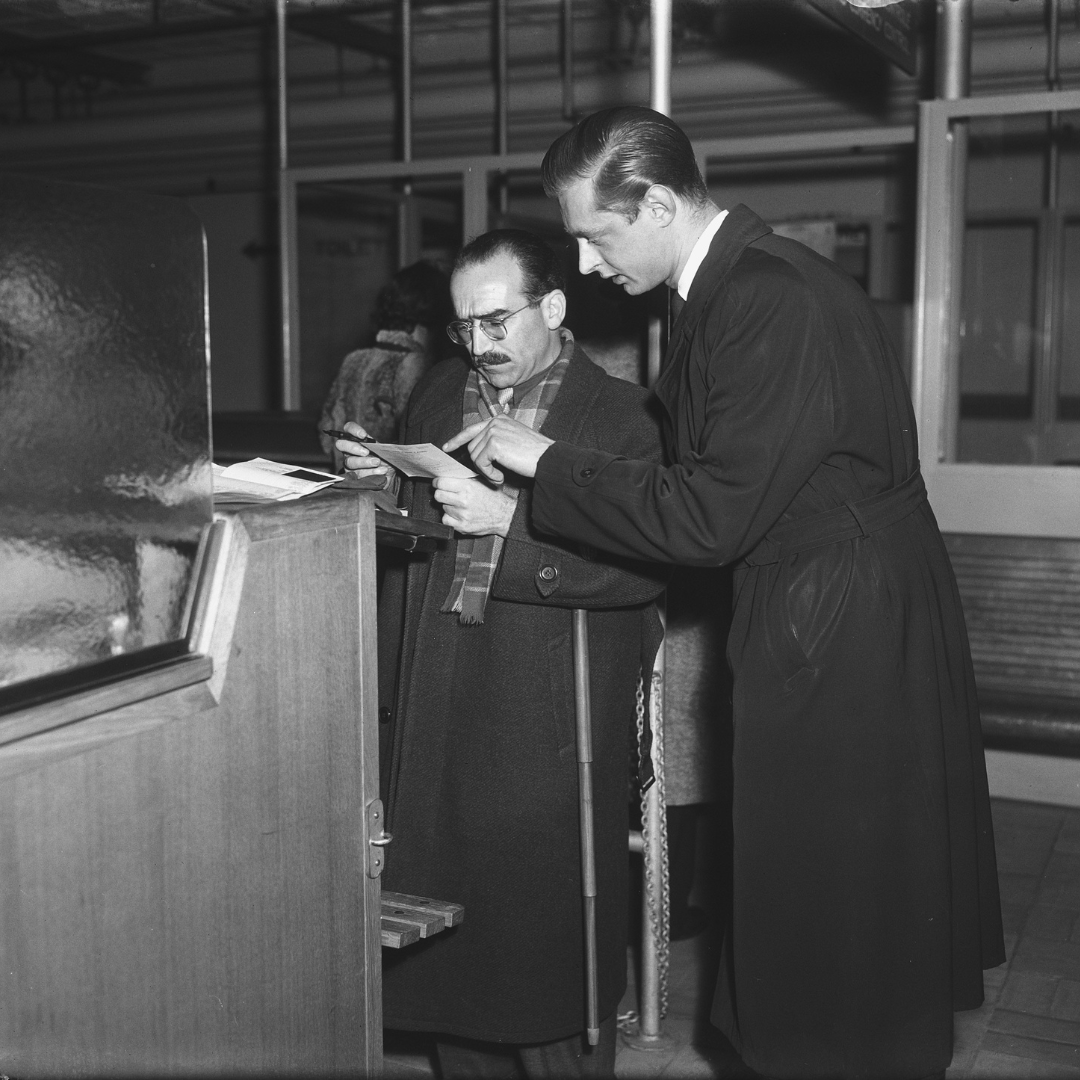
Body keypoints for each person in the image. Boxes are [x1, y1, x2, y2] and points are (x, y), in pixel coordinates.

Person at [442, 107, 1006, 1080]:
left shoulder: (766, 298)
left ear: (658, 203)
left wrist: (544, 464)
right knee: (836, 906)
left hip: (839, 627)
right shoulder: (729, 291)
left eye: (595, 234)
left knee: (845, 910)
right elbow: (694, 461)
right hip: (832, 611)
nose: (581, 265)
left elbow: (708, 517)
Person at [336, 228, 666, 1078]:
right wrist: (376, 481)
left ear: (553, 308)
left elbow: (647, 568)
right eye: (464, 326)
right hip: (444, 688)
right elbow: (419, 520)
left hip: (545, 709)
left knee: (546, 967)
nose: (479, 346)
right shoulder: (445, 392)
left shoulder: (624, 420)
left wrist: (512, 525)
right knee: (453, 968)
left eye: (497, 322)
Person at [318, 260, 451, 463]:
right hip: (389, 484)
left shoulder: (354, 359)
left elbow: (328, 430)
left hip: (352, 477)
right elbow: (419, 444)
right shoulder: (416, 364)